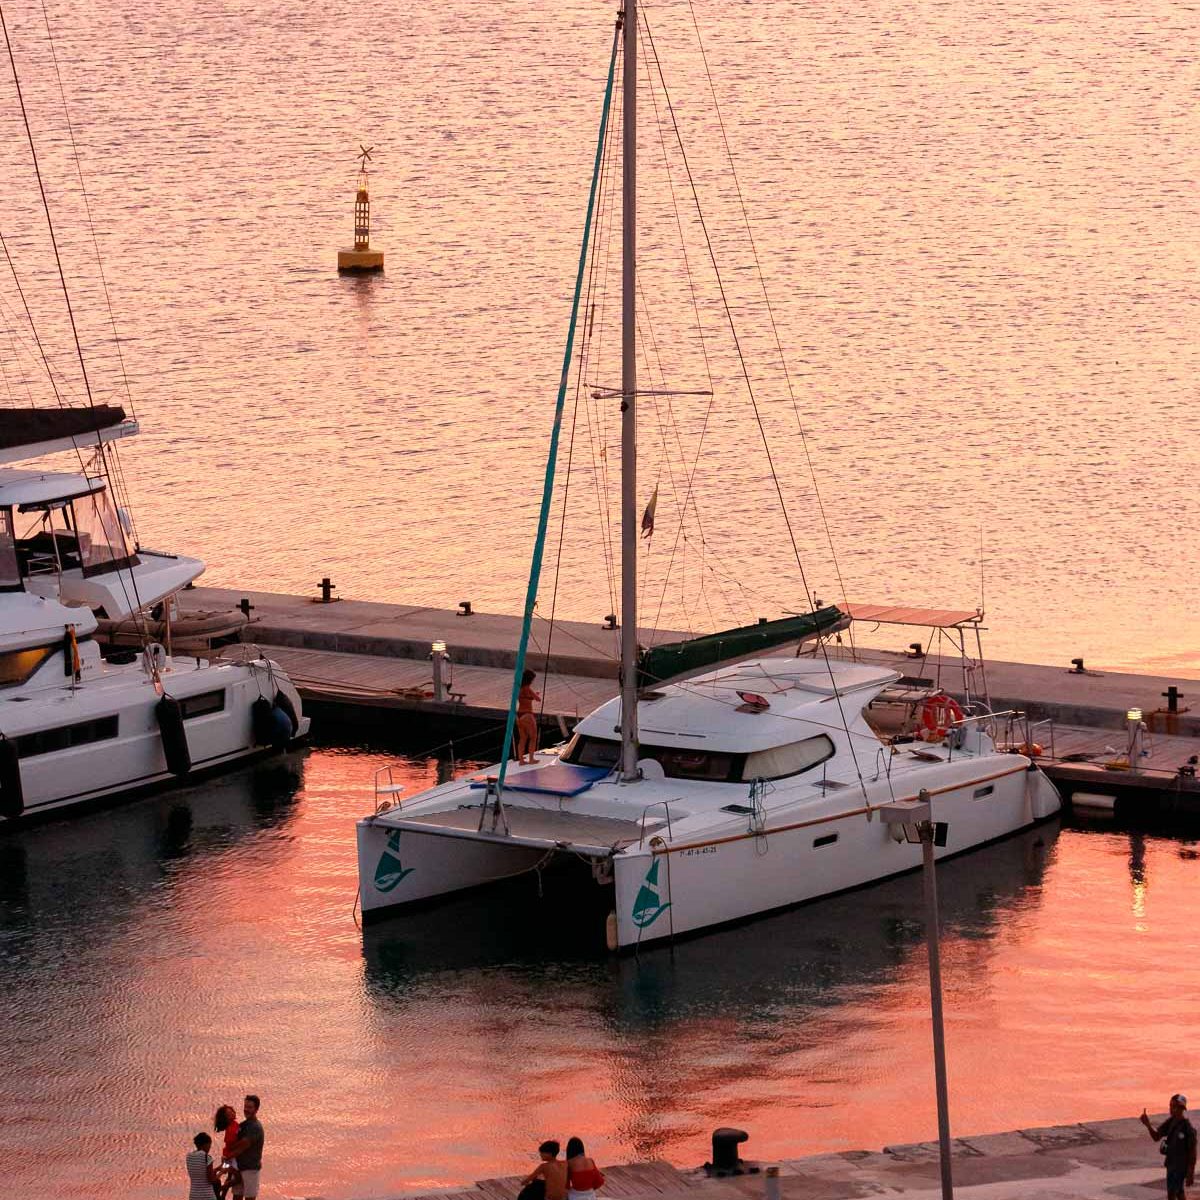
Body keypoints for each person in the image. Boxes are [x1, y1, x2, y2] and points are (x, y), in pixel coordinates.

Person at [1141, 1094, 1197, 1200]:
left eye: (1174, 1106)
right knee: (1173, 1193)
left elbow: (1192, 1152)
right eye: (1170, 1106)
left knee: (1176, 1192)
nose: (1171, 1109)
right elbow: (1156, 1137)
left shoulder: (1187, 1127)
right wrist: (1147, 1124)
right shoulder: (1170, 1122)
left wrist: (1190, 1173)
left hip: (1181, 1167)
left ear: (1181, 1108)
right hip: (1170, 1165)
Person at [223, 1094, 265, 1200]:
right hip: (238, 1168)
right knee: (236, 1197)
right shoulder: (242, 1125)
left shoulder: (255, 1127)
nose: (246, 1109)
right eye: (245, 1106)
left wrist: (228, 1154)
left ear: (256, 1109)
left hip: (250, 1169)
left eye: (250, 1107)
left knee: (249, 1198)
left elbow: (243, 1145)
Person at [213, 1104, 242, 1199]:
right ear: (226, 1118)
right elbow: (230, 1144)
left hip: (229, 1155)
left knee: (228, 1174)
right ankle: (221, 1188)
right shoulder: (231, 1128)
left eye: (232, 1111)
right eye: (229, 1113)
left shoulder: (234, 1124)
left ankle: (222, 1195)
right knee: (237, 1177)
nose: (232, 1113)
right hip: (230, 1156)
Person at [186, 1132, 221, 1200]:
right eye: (209, 1145)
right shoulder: (207, 1157)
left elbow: (200, 1173)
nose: (209, 1147)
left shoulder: (189, 1157)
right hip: (207, 1195)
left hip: (194, 1195)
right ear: (205, 1144)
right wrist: (220, 1174)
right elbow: (210, 1179)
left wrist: (217, 1169)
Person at [516, 669, 541, 764]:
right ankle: (531, 759)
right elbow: (538, 699)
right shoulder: (528, 688)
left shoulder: (519, 689)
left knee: (523, 738)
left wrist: (532, 697)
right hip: (527, 715)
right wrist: (536, 695)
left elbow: (526, 699)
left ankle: (521, 760)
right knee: (533, 737)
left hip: (519, 715)